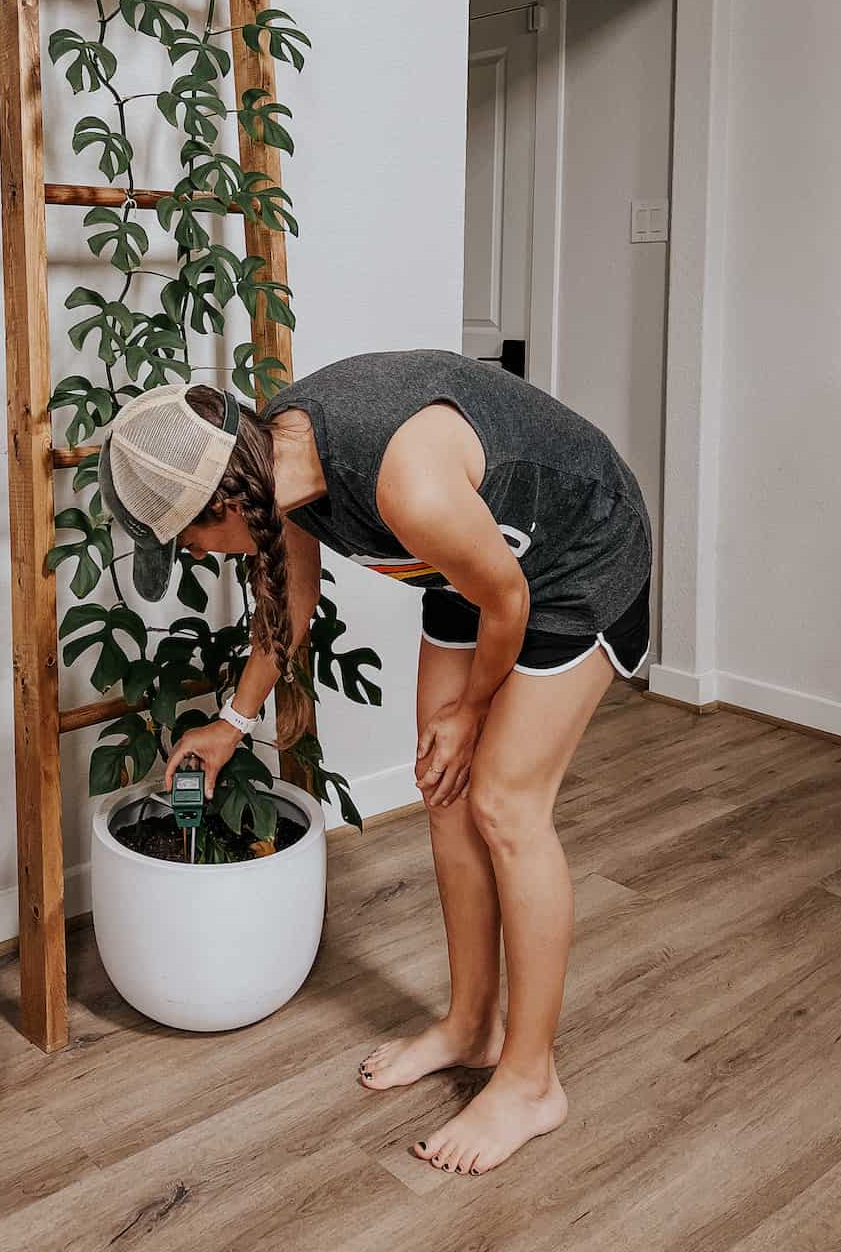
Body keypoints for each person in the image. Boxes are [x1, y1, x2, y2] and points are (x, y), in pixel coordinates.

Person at [96, 347, 652, 1177]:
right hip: (477, 564)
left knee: (504, 805)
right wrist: (232, 724)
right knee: (445, 789)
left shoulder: (404, 483)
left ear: (223, 502)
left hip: (578, 560)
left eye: (195, 540)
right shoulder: (272, 458)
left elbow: (511, 599)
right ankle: (472, 1025)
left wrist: (468, 713)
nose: (205, 557)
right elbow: (292, 602)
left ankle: (533, 1082)